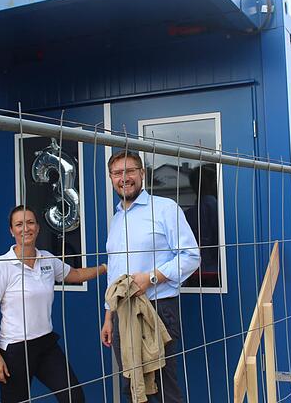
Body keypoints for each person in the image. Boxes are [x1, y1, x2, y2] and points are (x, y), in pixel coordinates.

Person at [100, 150, 200, 403]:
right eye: (117, 173)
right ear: (111, 178)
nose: (124, 178)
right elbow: (114, 270)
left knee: (163, 386)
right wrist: (108, 316)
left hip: (157, 308)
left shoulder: (165, 208)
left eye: (130, 170)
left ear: (142, 174)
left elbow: (191, 256)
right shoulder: (116, 219)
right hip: (122, 312)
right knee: (132, 384)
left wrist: (152, 278)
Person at [0, 205, 106, 403]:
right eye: (19, 224)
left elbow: (75, 275)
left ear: (38, 228)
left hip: (45, 344)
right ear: (11, 230)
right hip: (15, 349)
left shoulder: (47, 258)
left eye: (30, 222)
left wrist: (105, 268)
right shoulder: (1, 265)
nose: (26, 228)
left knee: (73, 397)